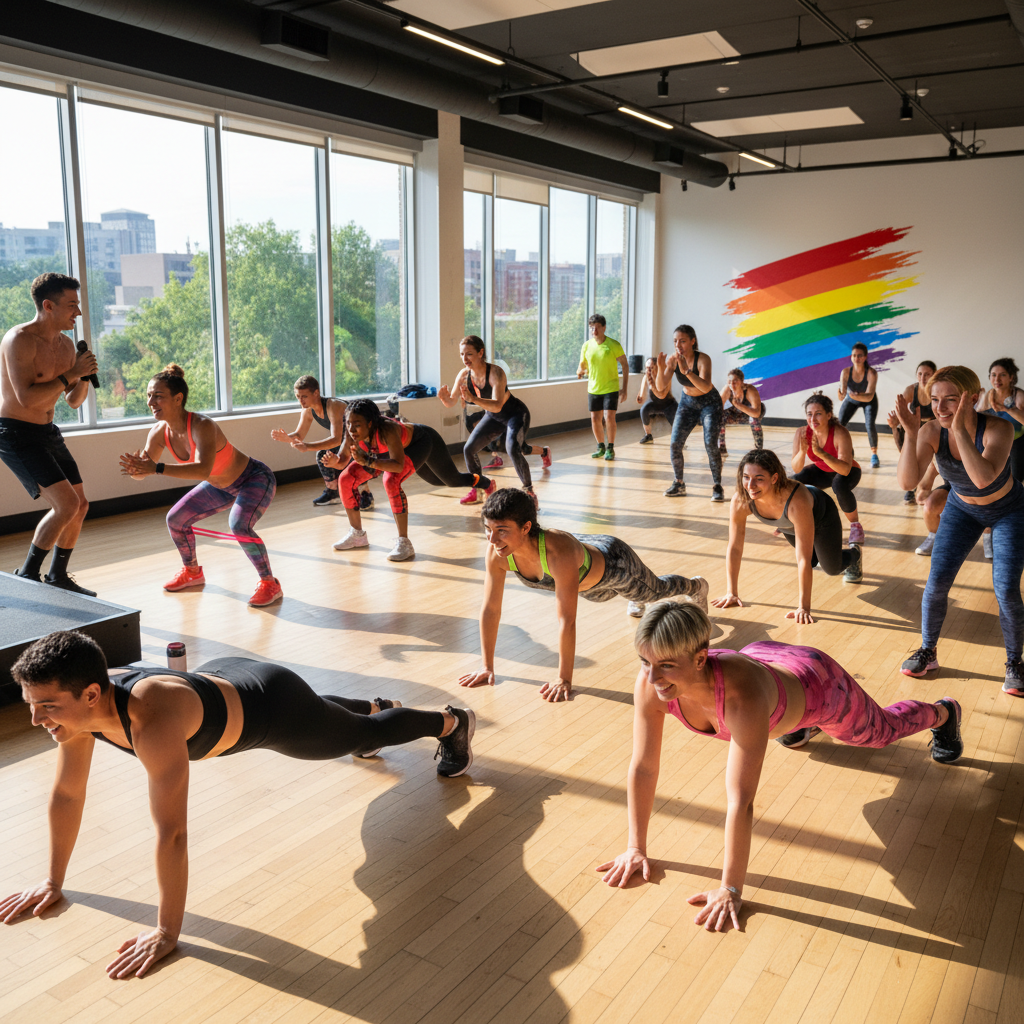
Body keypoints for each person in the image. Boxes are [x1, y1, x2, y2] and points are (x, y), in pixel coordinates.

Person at [0, 630, 476, 977]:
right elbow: (67, 794)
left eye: (46, 705)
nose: (36, 718)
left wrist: (167, 933)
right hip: (227, 677)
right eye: (29, 703)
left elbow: (174, 833)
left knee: (361, 737)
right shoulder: (78, 714)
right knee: (334, 720)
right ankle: (364, 704)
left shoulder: (151, 721)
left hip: (272, 708)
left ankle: (451, 721)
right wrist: (51, 881)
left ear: (89, 694)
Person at [597, 602, 963, 925]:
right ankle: (793, 729)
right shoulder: (651, 684)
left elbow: (741, 801)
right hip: (765, 662)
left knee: (879, 733)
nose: (652, 677)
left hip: (815, 683)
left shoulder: (741, 697)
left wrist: (731, 888)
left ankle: (943, 713)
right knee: (766, 728)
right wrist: (635, 848)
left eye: (665, 665)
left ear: (698, 659)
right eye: (644, 662)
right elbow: (644, 767)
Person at [460, 487, 708, 702]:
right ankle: (636, 597)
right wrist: (486, 666)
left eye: (501, 530)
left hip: (615, 566)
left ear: (526, 527)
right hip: (588, 586)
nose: (492, 538)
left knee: (656, 591)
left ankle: (695, 587)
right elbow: (491, 610)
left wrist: (563, 679)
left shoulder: (558, 553)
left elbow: (566, 620)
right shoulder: (497, 553)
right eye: (487, 529)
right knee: (609, 595)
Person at [892, 365, 1024, 694]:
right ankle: (928, 650)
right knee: (936, 584)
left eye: (951, 399)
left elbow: (983, 478)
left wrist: (960, 430)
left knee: (1006, 589)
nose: (940, 407)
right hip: (962, 509)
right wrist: (910, 434)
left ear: (974, 399)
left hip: (1010, 511)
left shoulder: (998, 428)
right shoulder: (931, 430)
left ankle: (1015, 662)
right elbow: (908, 482)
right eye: (935, 400)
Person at [118, 364, 282, 608]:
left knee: (239, 525)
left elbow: (202, 469)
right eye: (149, 395)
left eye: (158, 396)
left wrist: (156, 468)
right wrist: (137, 471)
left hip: (253, 479)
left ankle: (270, 583)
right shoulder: (158, 432)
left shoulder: (202, 425)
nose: (151, 401)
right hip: (220, 486)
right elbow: (144, 473)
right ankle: (192, 572)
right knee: (175, 519)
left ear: (178, 399)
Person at [0, 273, 97, 596]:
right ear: (48, 305)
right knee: (66, 504)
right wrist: (73, 372)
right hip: (14, 433)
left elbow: (72, 401)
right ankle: (27, 573)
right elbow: (27, 397)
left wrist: (83, 377)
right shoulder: (19, 340)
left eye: (78, 306)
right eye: (72, 306)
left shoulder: (66, 345)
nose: (78, 313)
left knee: (80, 505)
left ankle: (57, 576)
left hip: (46, 431)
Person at [327, 399, 495, 562]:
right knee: (346, 478)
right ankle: (357, 535)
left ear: (370, 424)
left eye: (356, 424)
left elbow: (398, 465)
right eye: (348, 423)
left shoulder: (387, 429)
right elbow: (342, 460)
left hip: (420, 443)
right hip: (388, 453)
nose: (351, 428)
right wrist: (334, 461)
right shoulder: (351, 433)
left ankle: (484, 482)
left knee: (448, 480)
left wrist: (369, 461)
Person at [712, 449, 863, 627]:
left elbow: (802, 559)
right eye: (746, 477)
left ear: (774, 478)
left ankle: (855, 554)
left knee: (831, 567)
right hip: (790, 526)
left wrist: (803, 608)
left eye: (759, 478)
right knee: (814, 561)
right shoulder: (741, 500)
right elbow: (735, 547)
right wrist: (731, 592)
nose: (750, 485)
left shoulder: (795, 502)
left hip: (822, 517)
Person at [438, 336, 551, 507]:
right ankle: (480, 488)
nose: (464, 359)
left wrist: (474, 399)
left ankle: (529, 492)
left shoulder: (496, 372)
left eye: (469, 354)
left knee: (513, 448)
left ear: (480, 352)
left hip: (515, 414)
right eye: (462, 354)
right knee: (469, 449)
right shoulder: (464, 375)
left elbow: (498, 405)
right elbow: (452, 401)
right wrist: (445, 399)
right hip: (493, 417)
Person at [270, 374, 372, 510]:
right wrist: (288, 437)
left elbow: (335, 439)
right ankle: (333, 492)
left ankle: (365, 494)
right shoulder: (307, 411)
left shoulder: (333, 406)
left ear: (316, 393)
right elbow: (299, 434)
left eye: (304, 396)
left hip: (365, 441)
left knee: (354, 457)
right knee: (323, 455)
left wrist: (307, 447)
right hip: (346, 441)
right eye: (298, 397)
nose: (301, 401)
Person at [655, 325, 724, 501]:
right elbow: (661, 387)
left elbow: (706, 386)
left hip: (710, 403)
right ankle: (679, 483)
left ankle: (717, 486)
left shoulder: (703, 359)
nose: (678, 345)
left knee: (710, 444)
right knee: (674, 444)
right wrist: (661, 368)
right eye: (675, 341)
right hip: (688, 403)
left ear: (693, 341)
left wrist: (686, 370)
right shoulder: (673, 360)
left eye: (683, 341)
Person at [791, 392, 865, 546]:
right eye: (809, 414)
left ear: (829, 415)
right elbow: (796, 468)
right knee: (795, 482)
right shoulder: (801, 433)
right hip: (822, 471)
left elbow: (845, 469)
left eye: (818, 414)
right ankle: (793, 520)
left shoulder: (840, 432)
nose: (813, 419)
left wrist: (821, 453)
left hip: (848, 470)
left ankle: (856, 527)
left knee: (839, 485)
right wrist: (803, 451)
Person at [577, 313, 628, 461]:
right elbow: (583, 367)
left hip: (611, 388)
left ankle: (610, 447)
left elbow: (625, 365)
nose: (594, 331)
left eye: (598, 327)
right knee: (595, 418)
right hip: (593, 388)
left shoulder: (614, 345)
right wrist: (581, 371)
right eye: (592, 328)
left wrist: (624, 388)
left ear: (604, 328)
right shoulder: (586, 345)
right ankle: (601, 446)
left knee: (609, 417)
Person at [894, 361, 937, 501]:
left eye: (927, 374)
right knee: (910, 459)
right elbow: (900, 414)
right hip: (915, 429)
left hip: (933, 430)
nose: (923, 377)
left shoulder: (937, 390)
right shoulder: (910, 390)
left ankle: (947, 487)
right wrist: (894, 423)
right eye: (920, 374)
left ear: (934, 375)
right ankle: (912, 490)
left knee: (934, 463)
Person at [838, 342, 881, 468]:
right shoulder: (845, 372)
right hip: (852, 399)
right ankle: (848, 452)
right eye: (854, 355)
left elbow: (870, 395)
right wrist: (841, 394)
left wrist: (856, 395)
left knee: (869, 425)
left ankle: (874, 455)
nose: (857, 358)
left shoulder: (871, 373)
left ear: (865, 357)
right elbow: (842, 395)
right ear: (851, 357)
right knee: (840, 424)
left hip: (869, 401)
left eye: (860, 355)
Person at [718, 368, 765, 458]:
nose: (732, 384)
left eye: (735, 381)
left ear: (742, 382)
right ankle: (721, 447)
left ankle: (759, 449)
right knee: (720, 416)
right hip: (737, 412)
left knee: (753, 419)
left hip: (754, 412)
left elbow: (756, 413)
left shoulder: (750, 390)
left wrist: (738, 405)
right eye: (730, 381)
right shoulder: (727, 389)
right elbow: (717, 409)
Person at [636, 357, 677, 444]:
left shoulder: (665, 376)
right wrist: (640, 397)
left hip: (669, 404)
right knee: (643, 410)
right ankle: (648, 435)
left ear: (657, 367)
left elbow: (662, 395)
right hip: (654, 403)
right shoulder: (646, 377)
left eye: (651, 367)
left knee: (676, 423)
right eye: (647, 368)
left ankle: (678, 440)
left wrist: (653, 386)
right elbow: (641, 391)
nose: (649, 370)